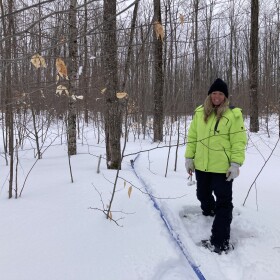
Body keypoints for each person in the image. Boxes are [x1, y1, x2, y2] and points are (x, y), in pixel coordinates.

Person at [184, 78, 247, 254]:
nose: (216, 96)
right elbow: (193, 138)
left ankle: (220, 242)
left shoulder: (233, 115)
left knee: (224, 203)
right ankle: (212, 212)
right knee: (202, 195)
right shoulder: (199, 112)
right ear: (210, 95)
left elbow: (239, 142)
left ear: (225, 96)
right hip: (202, 166)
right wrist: (189, 158)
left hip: (222, 169)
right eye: (214, 93)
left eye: (220, 93)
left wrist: (235, 164)